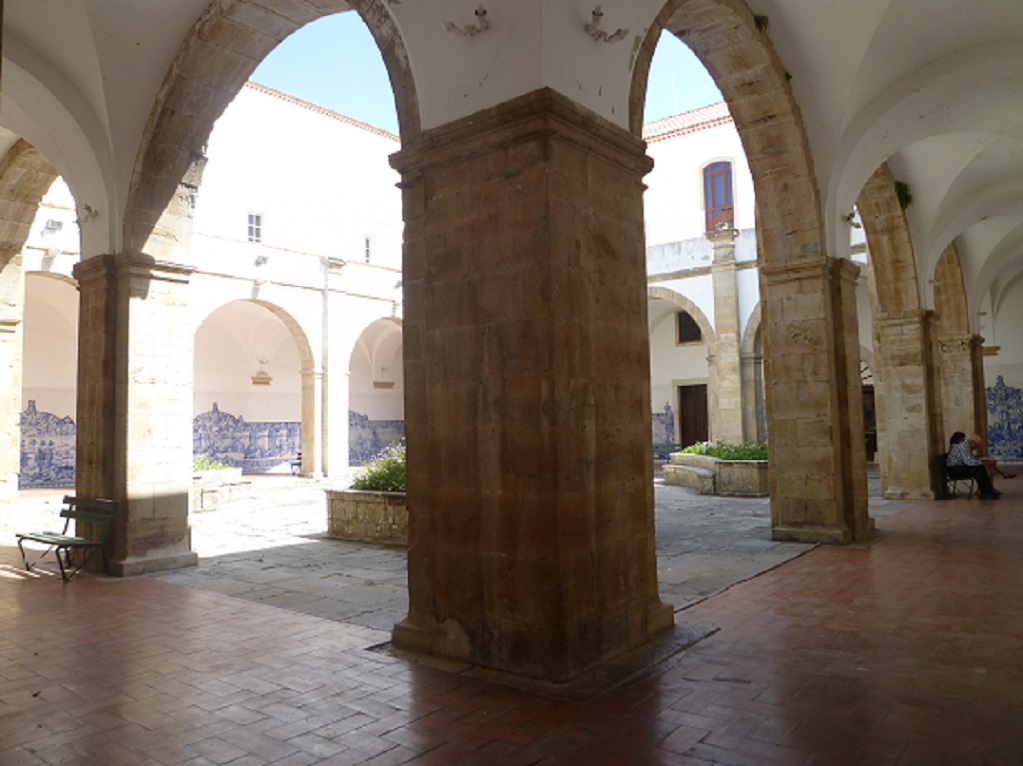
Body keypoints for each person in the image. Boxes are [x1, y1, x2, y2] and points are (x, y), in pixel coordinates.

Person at [947, 432, 999, 499]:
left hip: (959, 467)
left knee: (980, 467)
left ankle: (987, 490)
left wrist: (983, 462)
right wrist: (985, 463)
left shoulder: (966, 447)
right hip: (954, 469)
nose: (975, 448)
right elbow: (969, 462)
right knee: (979, 469)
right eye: (975, 446)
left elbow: (972, 460)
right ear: (972, 442)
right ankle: (985, 492)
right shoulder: (963, 447)